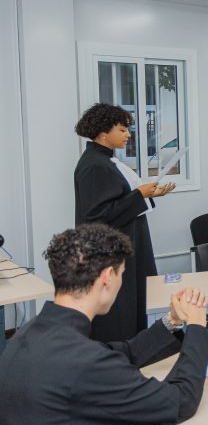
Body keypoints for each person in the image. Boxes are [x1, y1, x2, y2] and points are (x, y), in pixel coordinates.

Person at [0, 224, 208, 425]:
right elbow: (182, 401)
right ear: (107, 278)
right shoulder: (85, 364)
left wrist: (172, 321)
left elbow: (118, 353)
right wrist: (197, 325)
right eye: (121, 273)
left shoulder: (33, 331)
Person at [74, 103, 176, 342]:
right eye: (122, 129)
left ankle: (139, 346)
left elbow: (118, 200)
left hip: (127, 241)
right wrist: (140, 194)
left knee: (135, 301)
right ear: (103, 132)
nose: (128, 134)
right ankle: (121, 354)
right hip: (111, 250)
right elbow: (97, 215)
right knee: (119, 310)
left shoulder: (106, 161)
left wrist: (147, 194)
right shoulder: (94, 166)